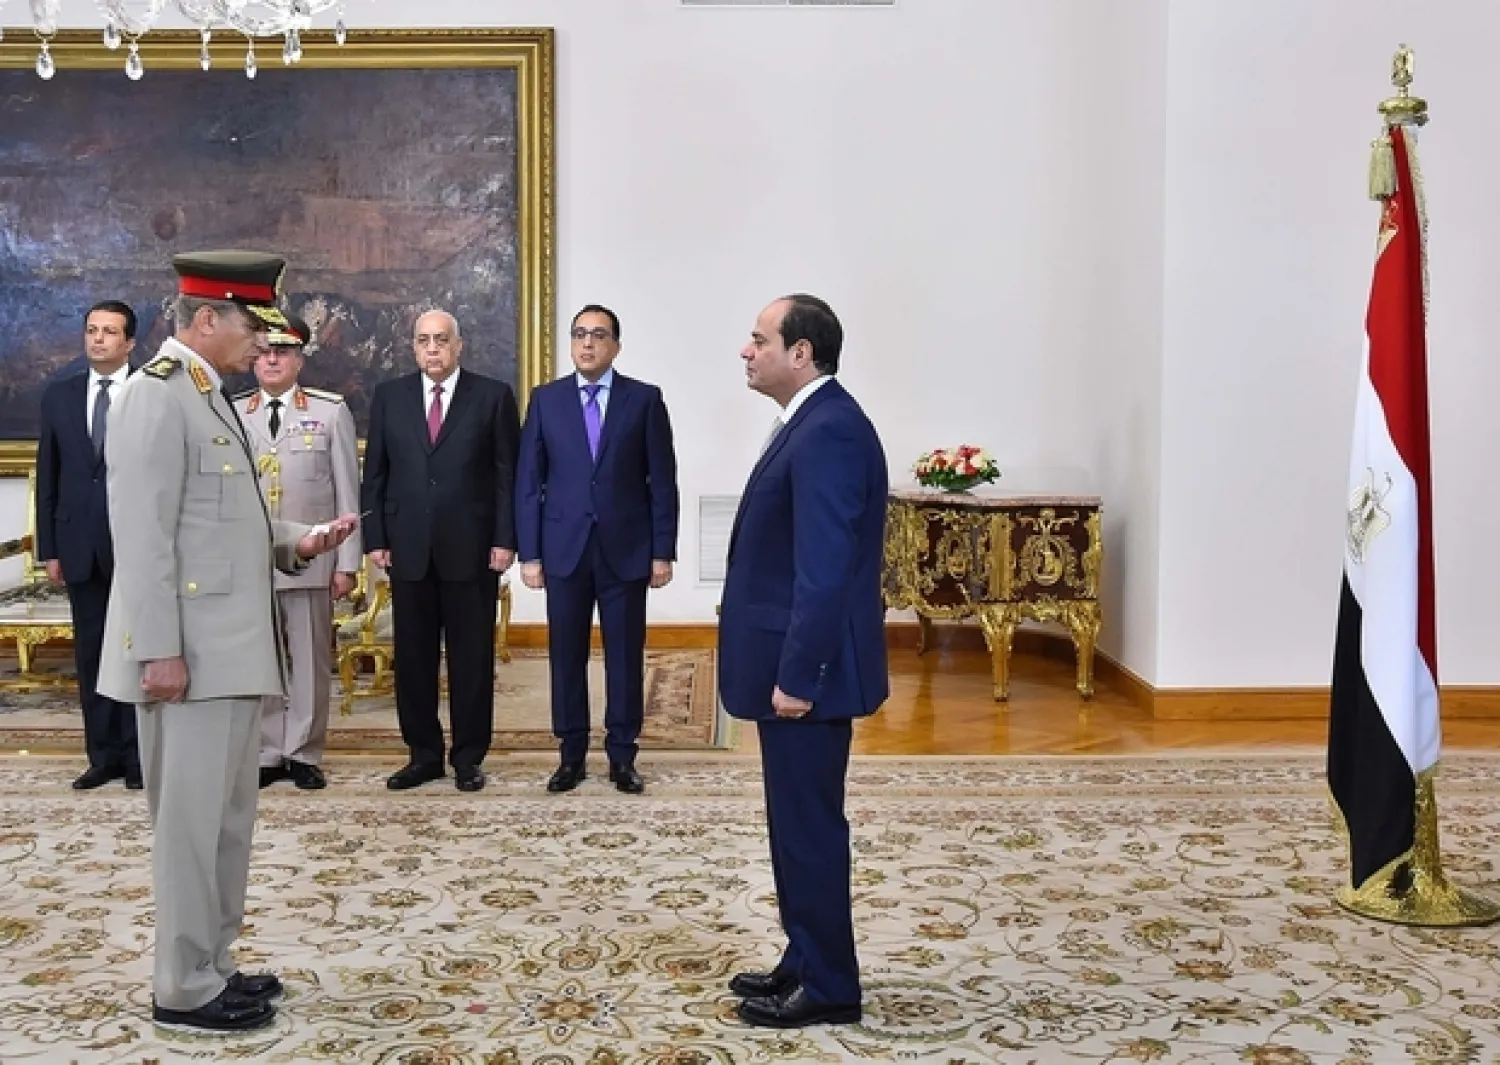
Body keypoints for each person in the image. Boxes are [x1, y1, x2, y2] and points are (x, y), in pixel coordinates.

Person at [96, 250, 358, 1034]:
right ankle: (180, 987)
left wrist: (297, 543)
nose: (263, 344)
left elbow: (221, 520)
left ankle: (212, 963)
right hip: (189, 659)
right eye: (253, 326)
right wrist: (158, 650)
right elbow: (144, 539)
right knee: (187, 828)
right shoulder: (157, 398)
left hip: (233, 652)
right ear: (206, 319)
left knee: (225, 823)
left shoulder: (209, 396)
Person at [716, 294, 889, 1028]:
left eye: (759, 340)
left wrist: (798, 676)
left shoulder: (830, 432)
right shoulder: (812, 422)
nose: (746, 351)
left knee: (811, 828)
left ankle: (829, 986)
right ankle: (805, 958)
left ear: (802, 353)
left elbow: (824, 571)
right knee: (794, 825)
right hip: (795, 670)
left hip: (809, 679)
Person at [516, 305, 679, 794]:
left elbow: (662, 482)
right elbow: (529, 480)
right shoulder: (546, 401)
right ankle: (570, 756)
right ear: (571, 344)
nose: (587, 343)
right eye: (579, 334)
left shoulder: (644, 401)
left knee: (625, 656)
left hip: (626, 549)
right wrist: (530, 553)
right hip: (563, 549)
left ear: (616, 346)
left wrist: (662, 550)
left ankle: (623, 756)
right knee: (566, 656)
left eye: (598, 335)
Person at [360, 309, 521, 792]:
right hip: (407, 548)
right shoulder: (390, 397)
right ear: (413, 347)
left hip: (472, 550)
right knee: (413, 659)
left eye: (441, 340)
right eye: (423, 341)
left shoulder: (492, 397)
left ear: (459, 346)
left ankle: (468, 757)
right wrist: (376, 540)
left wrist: (505, 539)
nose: (432, 349)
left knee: (471, 660)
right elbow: (376, 477)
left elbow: (506, 477)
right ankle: (423, 754)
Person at [235, 313, 362, 790]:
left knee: (309, 661)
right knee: (260, 658)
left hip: (313, 559)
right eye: (265, 351)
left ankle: (304, 751)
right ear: (253, 359)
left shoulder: (330, 411)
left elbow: (348, 495)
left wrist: (346, 563)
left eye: (282, 352)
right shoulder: (233, 412)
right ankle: (268, 751)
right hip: (251, 560)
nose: (272, 359)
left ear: (298, 359)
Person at [34, 299, 142, 791]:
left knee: (140, 651)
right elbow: (49, 475)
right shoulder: (59, 396)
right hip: (80, 545)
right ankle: (104, 756)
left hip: (139, 544)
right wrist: (50, 549)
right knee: (94, 652)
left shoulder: (151, 393)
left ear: (130, 343)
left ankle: (141, 756)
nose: (98, 339)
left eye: (109, 332)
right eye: (92, 330)